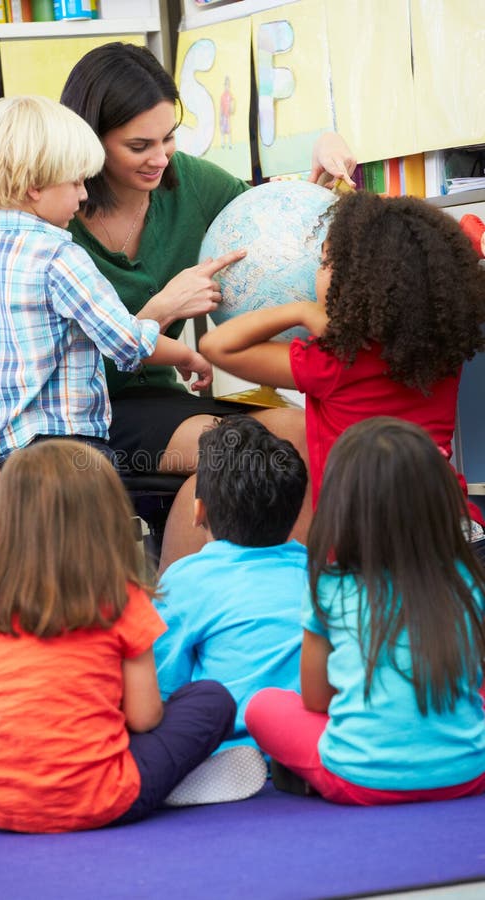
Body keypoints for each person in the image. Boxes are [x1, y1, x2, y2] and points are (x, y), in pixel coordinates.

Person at [59, 41, 357, 569]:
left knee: (300, 438)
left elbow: (266, 226)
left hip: (165, 401)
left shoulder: (189, 183)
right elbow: (62, 364)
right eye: (139, 145)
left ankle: (298, 610)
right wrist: (162, 308)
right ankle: (186, 622)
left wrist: (319, 169)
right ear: (90, 142)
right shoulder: (56, 213)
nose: (161, 158)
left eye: (169, 137)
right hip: (90, 412)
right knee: (241, 457)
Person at [0, 439, 260, 834]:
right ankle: (165, 778)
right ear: (108, 518)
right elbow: (145, 716)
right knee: (210, 699)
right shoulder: (121, 600)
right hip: (102, 799)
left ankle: (16, 747)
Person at [0, 94, 215, 467]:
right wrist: (187, 355)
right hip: (65, 454)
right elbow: (127, 341)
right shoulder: (58, 256)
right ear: (34, 186)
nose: (85, 193)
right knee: (87, 528)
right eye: (75, 182)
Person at [200, 190, 485, 525]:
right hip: (452, 527)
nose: (314, 272)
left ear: (357, 283)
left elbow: (217, 345)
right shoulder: (442, 348)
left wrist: (300, 310)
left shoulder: (335, 361)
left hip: (366, 541)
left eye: (323, 261)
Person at [245, 417, 485, 805]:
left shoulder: (329, 587)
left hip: (359, 778)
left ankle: (309, 772)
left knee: (265, 705)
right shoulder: (465, 580)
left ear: (343, 506)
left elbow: (316, 700)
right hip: (470, 774)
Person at [154, 415, 308, 765]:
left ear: (198, 511)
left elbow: (162, 687)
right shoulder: (318, 573)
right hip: (301, 739)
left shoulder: (184, 580)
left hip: (222, 747)